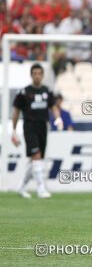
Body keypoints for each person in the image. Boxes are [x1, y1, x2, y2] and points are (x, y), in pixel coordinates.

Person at [11, 63, 63, 199]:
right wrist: (14, 131)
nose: (37, 76)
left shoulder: (47, 91)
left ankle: (21, 186)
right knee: (37, 156)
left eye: (39, 73)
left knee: (35, 160)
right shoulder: (24, 92)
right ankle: (41, 188)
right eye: (35, 73)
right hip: (29, 127)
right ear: (31, 75)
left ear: (43, 75)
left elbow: (53, 107)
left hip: (43, 127)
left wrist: (58, 119)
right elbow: (16, 111)